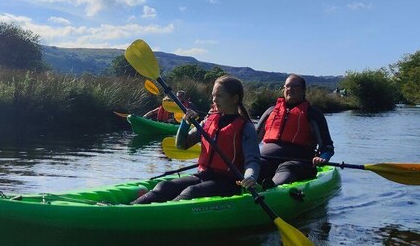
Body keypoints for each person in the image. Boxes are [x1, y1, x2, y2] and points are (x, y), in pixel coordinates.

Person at [132, 76, 260, 203]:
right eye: (213, 95)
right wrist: (185, 123)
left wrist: (250, 177)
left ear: (234, 98)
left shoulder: (245, 127)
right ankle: (132, 208)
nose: (214, 100)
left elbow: (252, 160)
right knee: (165, 186)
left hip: (228, 182)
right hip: (202, 175)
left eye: (219, 96)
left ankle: (153, 215)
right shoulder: (208, 122)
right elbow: (181, 145)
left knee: (191, 192)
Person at [255, 74, 334, 188]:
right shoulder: (271, 111)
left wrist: (323, 158)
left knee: (287, 167)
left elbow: (327, 146)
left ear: (303, 90)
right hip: (267, 159)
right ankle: (248, 187)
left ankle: (272, 188)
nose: (290, 89)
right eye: (287, 86)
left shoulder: (313, 114)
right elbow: (252, 140)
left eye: (295, 86)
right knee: (258, 164)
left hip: (299, 162)